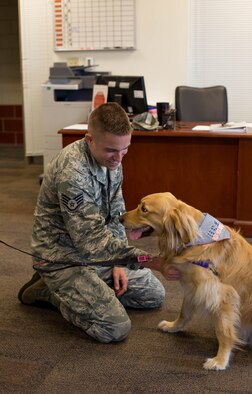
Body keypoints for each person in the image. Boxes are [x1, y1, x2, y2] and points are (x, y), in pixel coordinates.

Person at [18, 102, 179, 343]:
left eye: (125, 149)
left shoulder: (112, 160)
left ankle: (88, 289)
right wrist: (152, 261)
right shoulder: (72, 172)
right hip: (62, 259)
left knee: (153, 295)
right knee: (114, 328)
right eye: (112, 150)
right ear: (89, 139)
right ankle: (48, 290)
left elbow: (116, 215)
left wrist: (117, 264)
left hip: (97, 254)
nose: (119, 157)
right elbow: (91, 241)